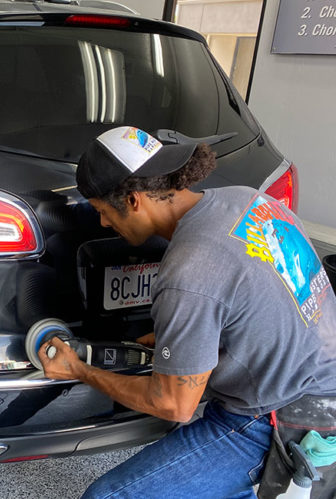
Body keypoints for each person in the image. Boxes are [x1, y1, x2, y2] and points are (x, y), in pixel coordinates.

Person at [40, 126, 336, 498]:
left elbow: (173, 404)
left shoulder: (189, 269)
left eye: (101, 211)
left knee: (107, 496)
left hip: (277, 419)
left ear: (133, 201)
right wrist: (187, 341)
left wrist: (79, 371)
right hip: (322, 383)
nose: (102, 223)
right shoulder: (247, 200)